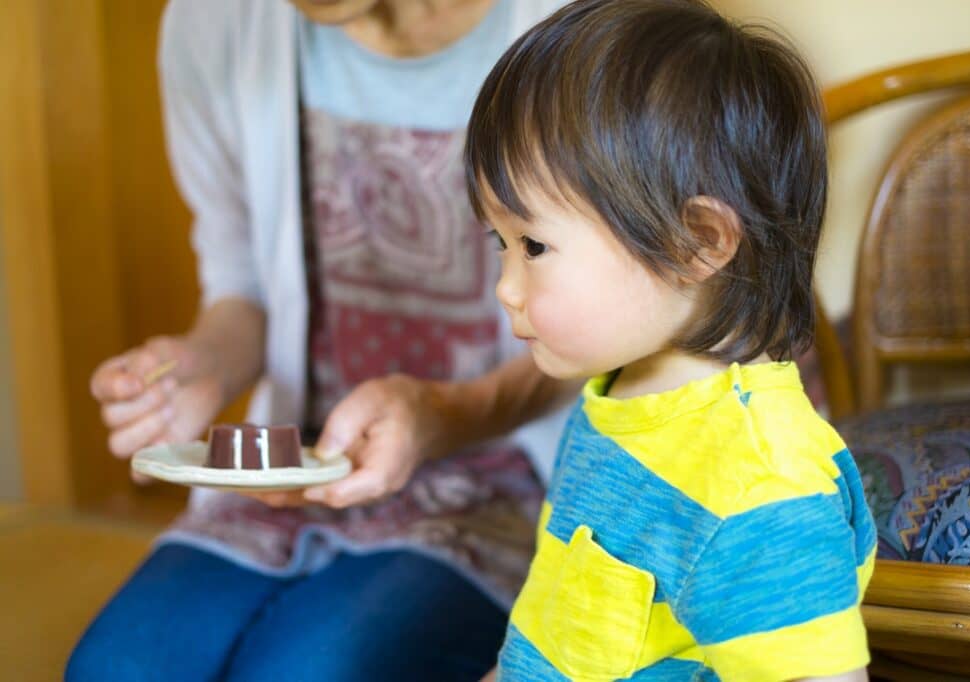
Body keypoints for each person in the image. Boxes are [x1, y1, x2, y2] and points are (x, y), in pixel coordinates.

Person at [68, 1, 575, 680]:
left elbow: (618, 322)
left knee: (309, 668)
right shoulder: (213, 23)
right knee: (117, 667)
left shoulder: (580, 27)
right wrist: (200, 368)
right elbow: (241, 286)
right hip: (293, 469)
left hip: (510, 481)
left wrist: (444, 416)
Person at [464, 1, 878, 679]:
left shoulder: (757, 486)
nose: (506, 286)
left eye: (533, 244)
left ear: (698, 241)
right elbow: (557, 627)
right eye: (499, 241)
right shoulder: (618, 397)